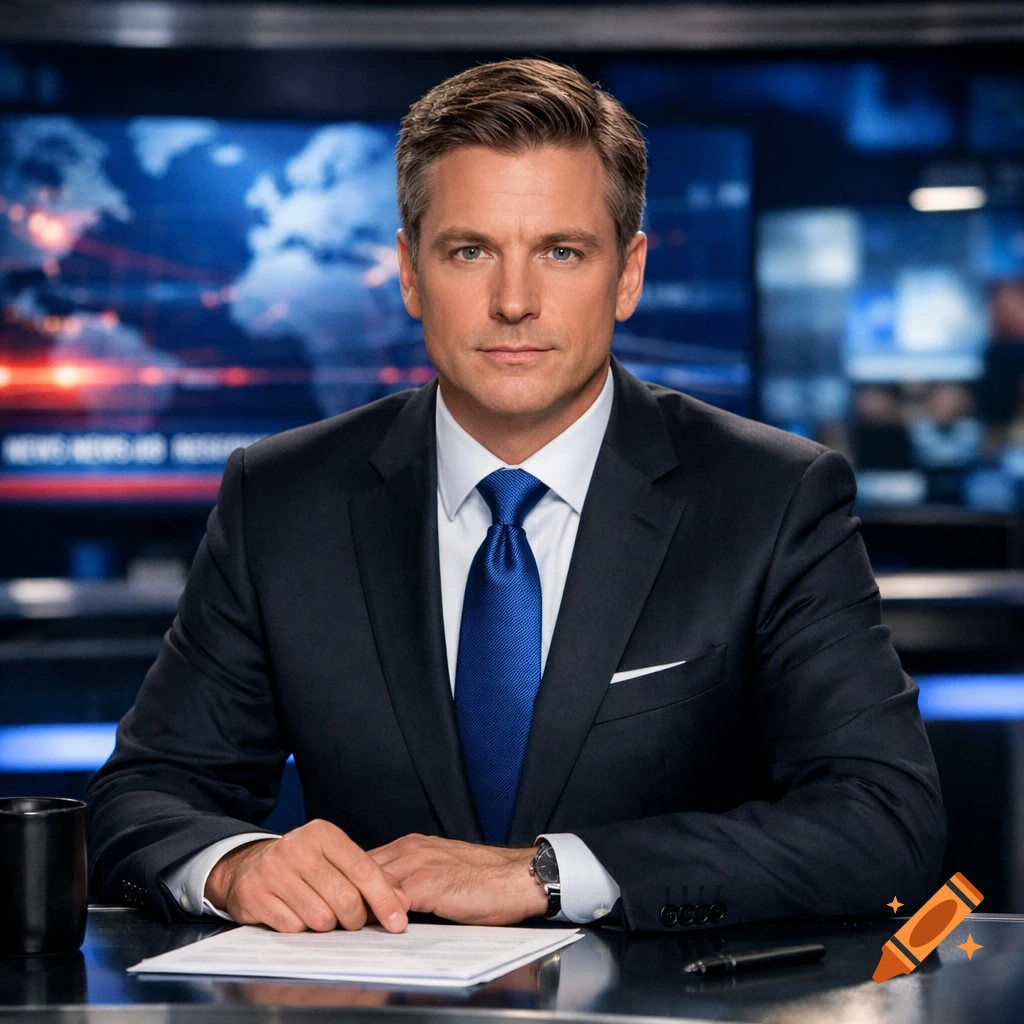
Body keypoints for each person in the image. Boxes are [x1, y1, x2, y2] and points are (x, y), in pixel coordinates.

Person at [86, 58, 946, 934]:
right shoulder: (278, 499)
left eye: (561, 252)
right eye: (470, 251)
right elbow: (143, 797)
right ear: (411, 274)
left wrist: (551, 874)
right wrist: (235, 865)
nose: (514, 302)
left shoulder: (773, 498)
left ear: (628, 274)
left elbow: (883, 817)